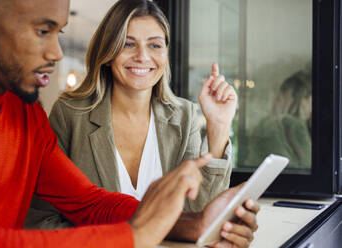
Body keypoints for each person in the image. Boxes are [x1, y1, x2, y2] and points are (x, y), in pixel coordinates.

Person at [0, 0, 259, 247]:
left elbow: (88, 202)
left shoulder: (26, 113)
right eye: (43, 31)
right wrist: (135, 235)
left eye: (59, 33)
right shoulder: (65, 112)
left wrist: (195, 224)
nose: (57, 53)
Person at [26, 0, 237, 229]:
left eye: (155, 45)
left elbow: (197, 216)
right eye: (128, 44)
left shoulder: (183, 116)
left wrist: (218, 126)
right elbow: (41, 219)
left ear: (165, 54)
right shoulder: (70, 114)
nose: (142, 56)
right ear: (108, 52)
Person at [246, 69, 312, 169]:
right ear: (303, 100)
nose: (311, 108)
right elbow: (307, 165)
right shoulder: (293, 125)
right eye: (310, 100)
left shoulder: (265, 124)